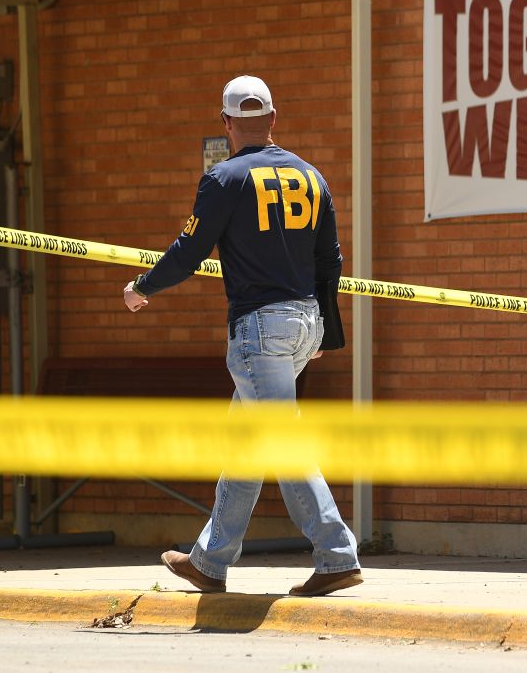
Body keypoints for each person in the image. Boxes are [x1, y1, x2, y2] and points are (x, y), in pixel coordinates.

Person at [121, 75, 363, 597]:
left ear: (226, 123)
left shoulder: (224, 179)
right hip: (304, 324)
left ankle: (338, 554)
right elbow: (331, 259)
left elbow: (189, 252)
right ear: (274, 119)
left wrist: (143, 287)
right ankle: (211, 561)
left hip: (260, 328)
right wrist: (326, 327)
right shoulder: (311, 175)